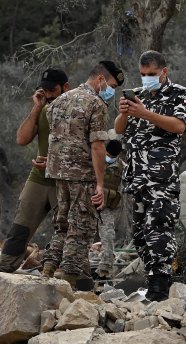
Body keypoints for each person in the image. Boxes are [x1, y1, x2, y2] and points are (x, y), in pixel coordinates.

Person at [115, 50, 186, 301]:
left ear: (164, 72)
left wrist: (145, 113)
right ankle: (152, 278)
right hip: (136, 176)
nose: (146, 78)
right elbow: (118, 129)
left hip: (161, 177)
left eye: (151, 74)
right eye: (142, 74)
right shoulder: (137, 95)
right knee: (139, 235)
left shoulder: (178, 94)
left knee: (158, 229)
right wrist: (126, 111)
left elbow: (179, 126)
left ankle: (160, 286)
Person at [42, 61, 124, 289]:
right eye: (111, 85)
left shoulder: (57, 102)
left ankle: (48, 268)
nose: (112, 90)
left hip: (59, 172)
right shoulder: (96, 104)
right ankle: (68, 281)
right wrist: (100, 183)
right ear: (100, 80)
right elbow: (98, 146)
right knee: (81, 227)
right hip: (82, 174)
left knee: (62, 223)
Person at [0, 69, 70, 273]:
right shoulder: (42, 108)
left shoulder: (77, 110)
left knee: (68, 230)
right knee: (20, 227)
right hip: (39, 178)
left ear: (65, 87)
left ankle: (69, 274)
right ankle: (5, 268)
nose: (48, 94)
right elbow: (21, 139)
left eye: (52, 90)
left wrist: (54, 162)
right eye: (44, 90)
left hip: (64, 180)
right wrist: (36, 107)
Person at [95, 139, 125, 278]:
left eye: (113, 157)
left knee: (108, 236)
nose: (109, 158)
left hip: (106, 207)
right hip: (88, 203)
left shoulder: (122, 167)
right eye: (108, 155)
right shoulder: (95, 159)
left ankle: (104, 272)